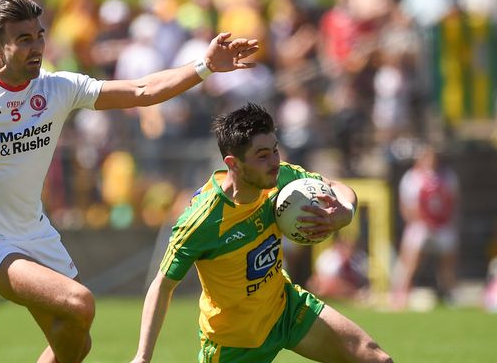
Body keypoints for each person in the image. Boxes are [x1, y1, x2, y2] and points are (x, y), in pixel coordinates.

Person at [0, 0, 259, 363]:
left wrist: (204, 66)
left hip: (36, 235)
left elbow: (142, 91)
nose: (37, 47)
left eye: (40, 35)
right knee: (80, 302)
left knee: (76, 345)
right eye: (24, 39)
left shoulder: (57, 88)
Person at [131, 103, 393, 363]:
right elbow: (162, 285)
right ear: (233, 163)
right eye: (263, 155)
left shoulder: (279, 179)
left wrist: (345, 212)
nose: (275, 162)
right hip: (234, 343)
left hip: (287, 310)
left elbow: (335, 185)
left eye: (275, 150)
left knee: (375, 358)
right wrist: (143, 357)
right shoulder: (202, 220)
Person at [392, 144, 459, 309]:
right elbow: (407, 206)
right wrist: (420, 222)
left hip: (442, 225)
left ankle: (450, 295)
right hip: (419, 225)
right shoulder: (411, 178)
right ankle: (400, 296)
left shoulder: (447, 176)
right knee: (410, 261)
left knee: (447, 262)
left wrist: (444, 221)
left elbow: (453, 200)